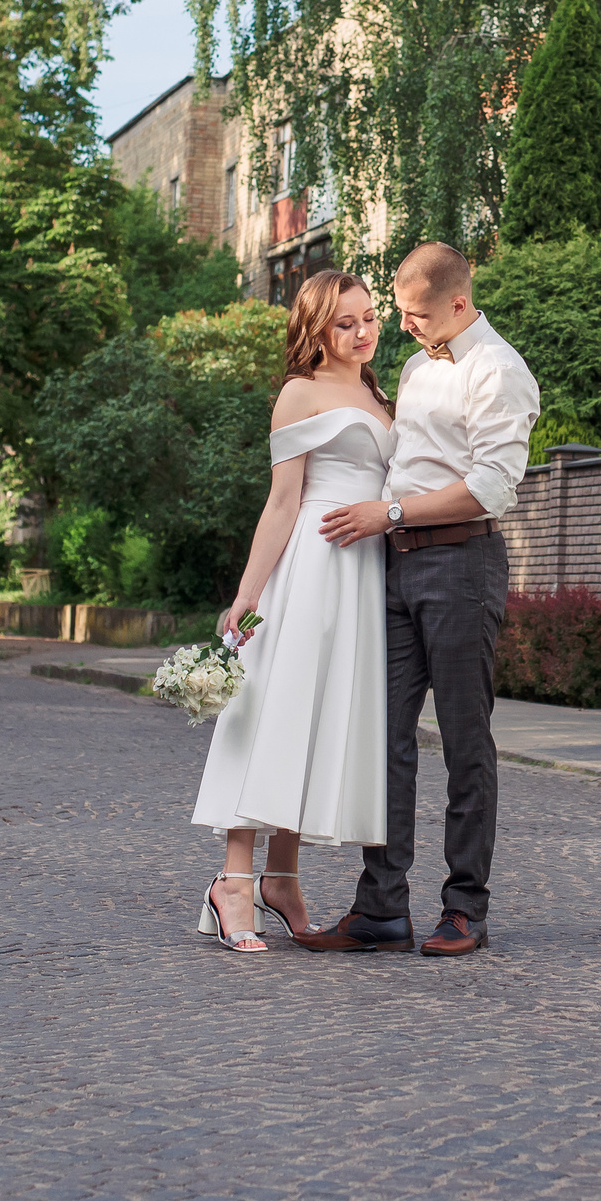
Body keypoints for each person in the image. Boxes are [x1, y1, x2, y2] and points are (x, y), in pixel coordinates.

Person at [297, 243, 538, 958]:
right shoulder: (412, 365)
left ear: (458, 304)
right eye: (397, 313)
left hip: (463, 565)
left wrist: (390, 513)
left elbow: (492, 486)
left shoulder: (499, 371)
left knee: (466, 742)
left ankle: (465, 907)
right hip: (395, 571)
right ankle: (381, 906)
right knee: (383, 738)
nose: (399, 326)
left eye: (415, 314)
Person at [190, 270, 395, 953]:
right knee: (273, 716)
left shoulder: (374, 389)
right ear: (316, 328)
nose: (363, 331)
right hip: (310, 565)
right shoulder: (298, 393)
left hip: (364, 573)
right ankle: (234, 882)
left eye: (369, 317)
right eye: (346, 323)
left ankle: (284, 876)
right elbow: (283, 501)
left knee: (315, 720)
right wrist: (250, 591)